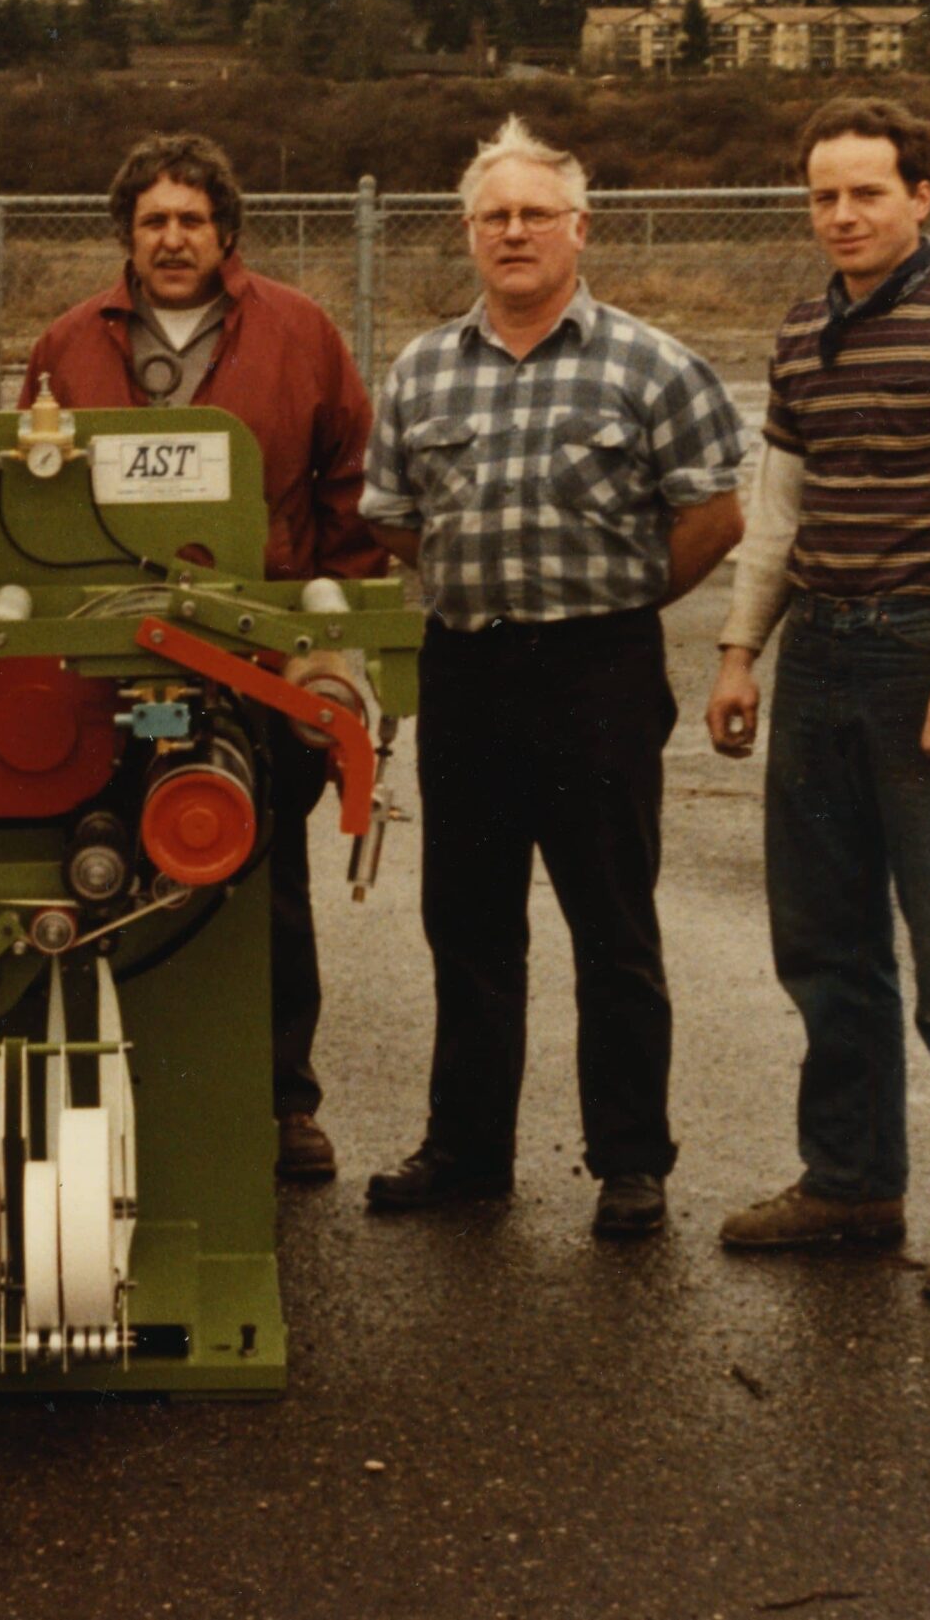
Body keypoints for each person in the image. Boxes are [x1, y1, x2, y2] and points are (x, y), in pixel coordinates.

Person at [359, 116, 746, 1238]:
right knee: (467, 924)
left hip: (597, 673)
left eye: (535, 214)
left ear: (580, 228)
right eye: (494, 216)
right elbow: (392, 519)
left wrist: (613, 607)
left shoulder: (651, 364)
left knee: (611, 926)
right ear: (467, 234)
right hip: (470, 669)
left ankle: (630, 1162)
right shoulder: (423, 369)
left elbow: (712, 518)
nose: (514, 232)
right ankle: (467, 1151)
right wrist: (488, 589)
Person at [706, 97, 930, 1298]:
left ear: (923, 195)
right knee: (824, 944)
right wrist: (740, 650)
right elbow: (780, 511)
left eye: (866, 191)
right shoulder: (805, 331)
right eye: (823, 195)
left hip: (925, 657)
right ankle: (851, 1182)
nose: (843, 214)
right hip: (817, 662)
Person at [18, 131, 384, 1184]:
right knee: (98, 861)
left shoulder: (300, 332)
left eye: (190, 219)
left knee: (265, 874)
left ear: (225, 230)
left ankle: (281, 1101)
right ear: (124, 237)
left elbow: (347, 482)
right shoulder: (67, 342)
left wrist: (328, 635)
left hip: (257, 647)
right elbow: (30, 493)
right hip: (108, 641)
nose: (171, 239)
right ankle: (115, 1086)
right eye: (151, 221)